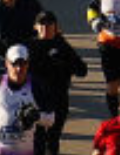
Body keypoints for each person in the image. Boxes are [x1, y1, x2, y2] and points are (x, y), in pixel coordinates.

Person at [25, 13, 88, 155]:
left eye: (49, 24)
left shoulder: (62, 45)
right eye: (42, 24)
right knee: (37, 141)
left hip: (58, 100)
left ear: (56, 27)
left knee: (53, 141)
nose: (46, 27)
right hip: (36, 101)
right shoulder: (29, 47)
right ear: (35, 27)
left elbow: (82, 70)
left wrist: (62, 63)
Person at [0, 45, 53, 155]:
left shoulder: (36, 86)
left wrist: (37, 116)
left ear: (28, 63)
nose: (19, 69)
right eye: (14, 64)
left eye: (23, 64)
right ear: (7, 63)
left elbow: (51, 119)